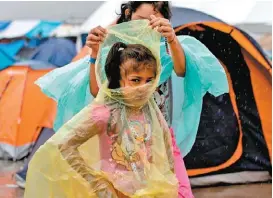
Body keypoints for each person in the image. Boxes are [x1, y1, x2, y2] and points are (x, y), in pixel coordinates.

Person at [17, 2, 229, 196]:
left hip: (158, 137)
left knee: (178, 192)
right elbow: (95, 90)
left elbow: (183, 71)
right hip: (118, 140)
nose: (147, 27)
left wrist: (171, 39)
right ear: (128, 13)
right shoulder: (114, 48)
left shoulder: (164, 48)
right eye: (142, 20)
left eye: (154, 20)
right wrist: (94, 54)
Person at [25, 23, 181, 197]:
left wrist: (169, 177)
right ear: (118, 80)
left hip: (146, 191)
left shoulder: (149, 111)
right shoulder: (106, 113)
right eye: (135, 80)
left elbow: (166, 145)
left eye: (149, 80)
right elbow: (64, 145)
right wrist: (95, 181)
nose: (143, 87)